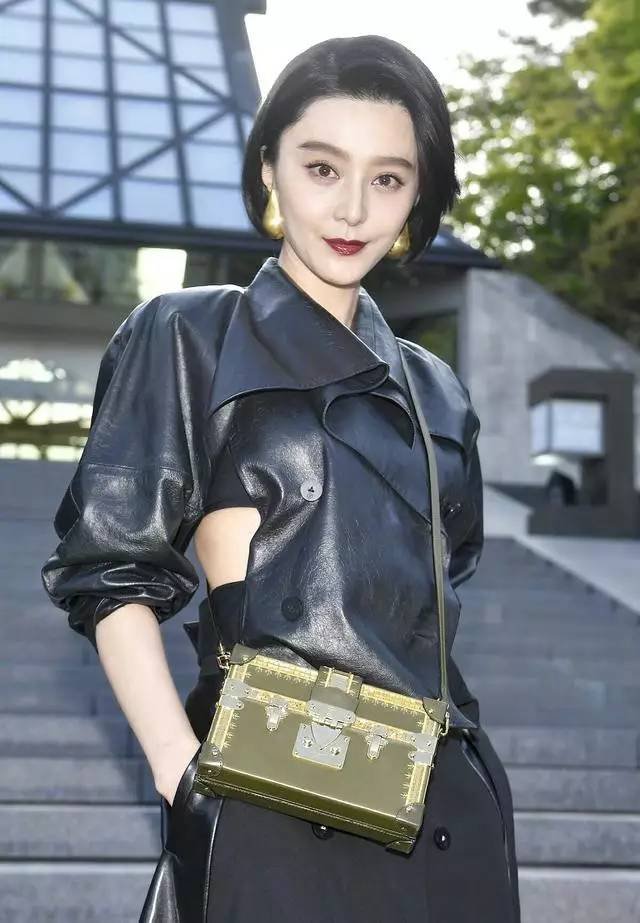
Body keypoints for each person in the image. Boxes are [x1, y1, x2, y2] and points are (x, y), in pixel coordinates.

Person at [41, 34, 521, 923]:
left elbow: (443, 584)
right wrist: (181, 771)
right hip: (274, 791)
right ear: (269, 166)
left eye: (388, 178)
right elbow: (109, 572)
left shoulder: (439, 392)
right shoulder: (190, 334)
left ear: (417, 194)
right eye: (322, 167)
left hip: (445, 810)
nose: (353, 207)